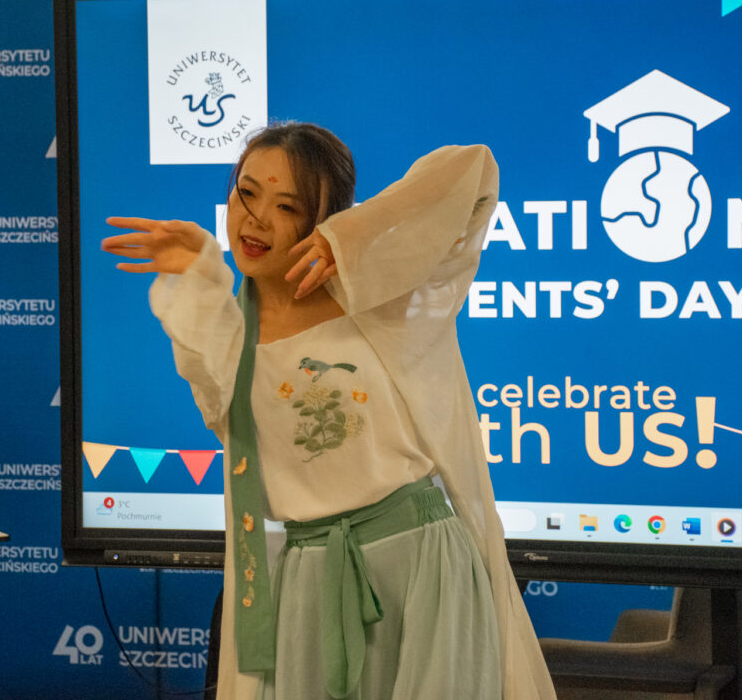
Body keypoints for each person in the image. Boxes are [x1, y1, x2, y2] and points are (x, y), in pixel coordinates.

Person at [102, 122, 556, 700]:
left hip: (421, 566)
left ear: (321, 221)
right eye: (247, 193)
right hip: (308, 579)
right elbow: (218, 410)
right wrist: (198, 275)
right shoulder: (226, 330)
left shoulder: (378, 297)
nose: (257, 219)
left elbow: (474, 170)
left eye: (287, 206)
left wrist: (351, 239)